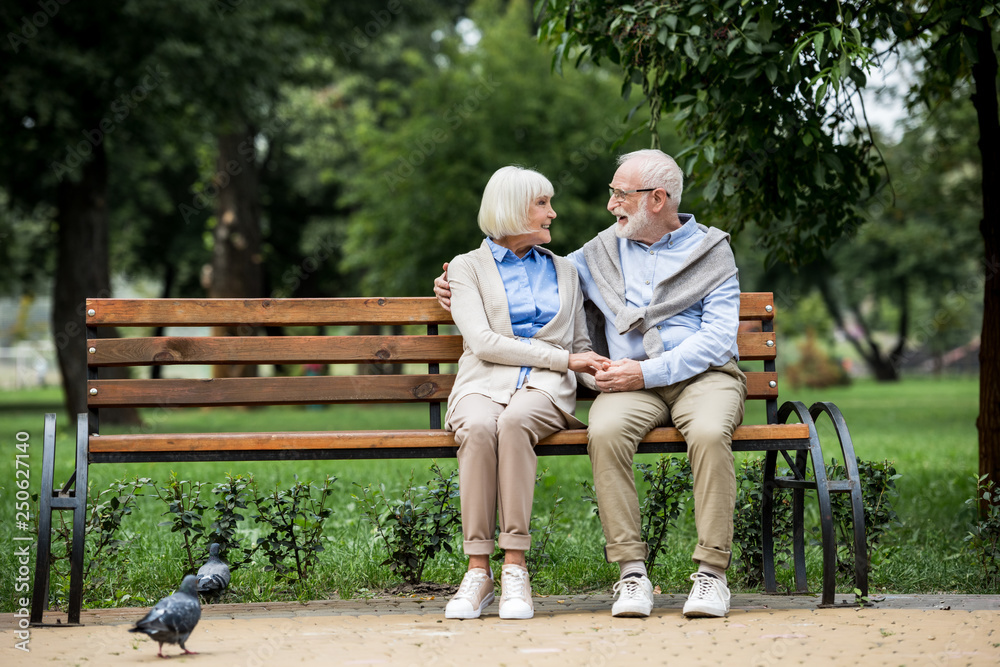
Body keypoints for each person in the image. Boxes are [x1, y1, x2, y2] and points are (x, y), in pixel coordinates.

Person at [435, 150, 746, 619]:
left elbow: (720, 338)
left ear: (657, 199)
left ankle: (711, 575)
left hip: (702, 377)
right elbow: (514, 265)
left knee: (706, 433)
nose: (611, 205)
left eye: (621, 194)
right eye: (612, 193)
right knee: (603, 432)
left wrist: (644, 371)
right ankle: (631, 573)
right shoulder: (596, 254)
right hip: (627, 383)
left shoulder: (711, 251)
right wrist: (450, 288)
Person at [442, 165, 610, 621]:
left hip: (544, 389)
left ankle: (515, 565)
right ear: (513, 209)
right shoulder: (465, 267)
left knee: (515, 423)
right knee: (478, 427)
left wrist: (607, 374)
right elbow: (482, 342)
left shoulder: (566, 271)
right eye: (542, 204)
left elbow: (578, 347)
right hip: (481, 382)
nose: (552, 213)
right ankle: (478, 571)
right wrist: (564, 359)